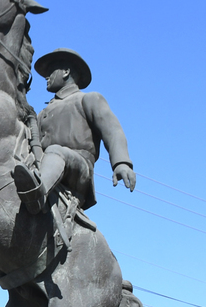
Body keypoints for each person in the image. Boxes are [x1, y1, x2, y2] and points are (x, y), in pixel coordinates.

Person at [12, 48, 137, 232]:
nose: (46, 76)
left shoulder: (88, 99)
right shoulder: (43, 113)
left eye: (51, 71)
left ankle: (36, 197)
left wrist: (121, 163)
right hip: (46, 166)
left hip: (79, 168)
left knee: (56, 151)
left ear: (66, 72)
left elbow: (113, 129)